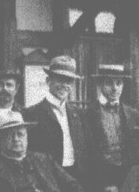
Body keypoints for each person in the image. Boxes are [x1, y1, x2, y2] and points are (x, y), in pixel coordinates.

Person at [86, 64, 139, 192]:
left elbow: (137, 152)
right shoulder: (88, 114)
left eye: (119, 83)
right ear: (100, 84)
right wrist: (105, 183)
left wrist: (128, 184)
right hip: (98, 185)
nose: (115, 88)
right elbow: (87, 153)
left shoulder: (132, 114)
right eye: (109, 83)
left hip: (126, 184)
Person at [25, 55, 91, 184]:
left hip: (77, 178)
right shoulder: (32, 114)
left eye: (69, 81)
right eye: (60, 79)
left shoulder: (79, 114)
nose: (65, 85)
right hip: (48, 180)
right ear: (48, 80)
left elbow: (88, 150)